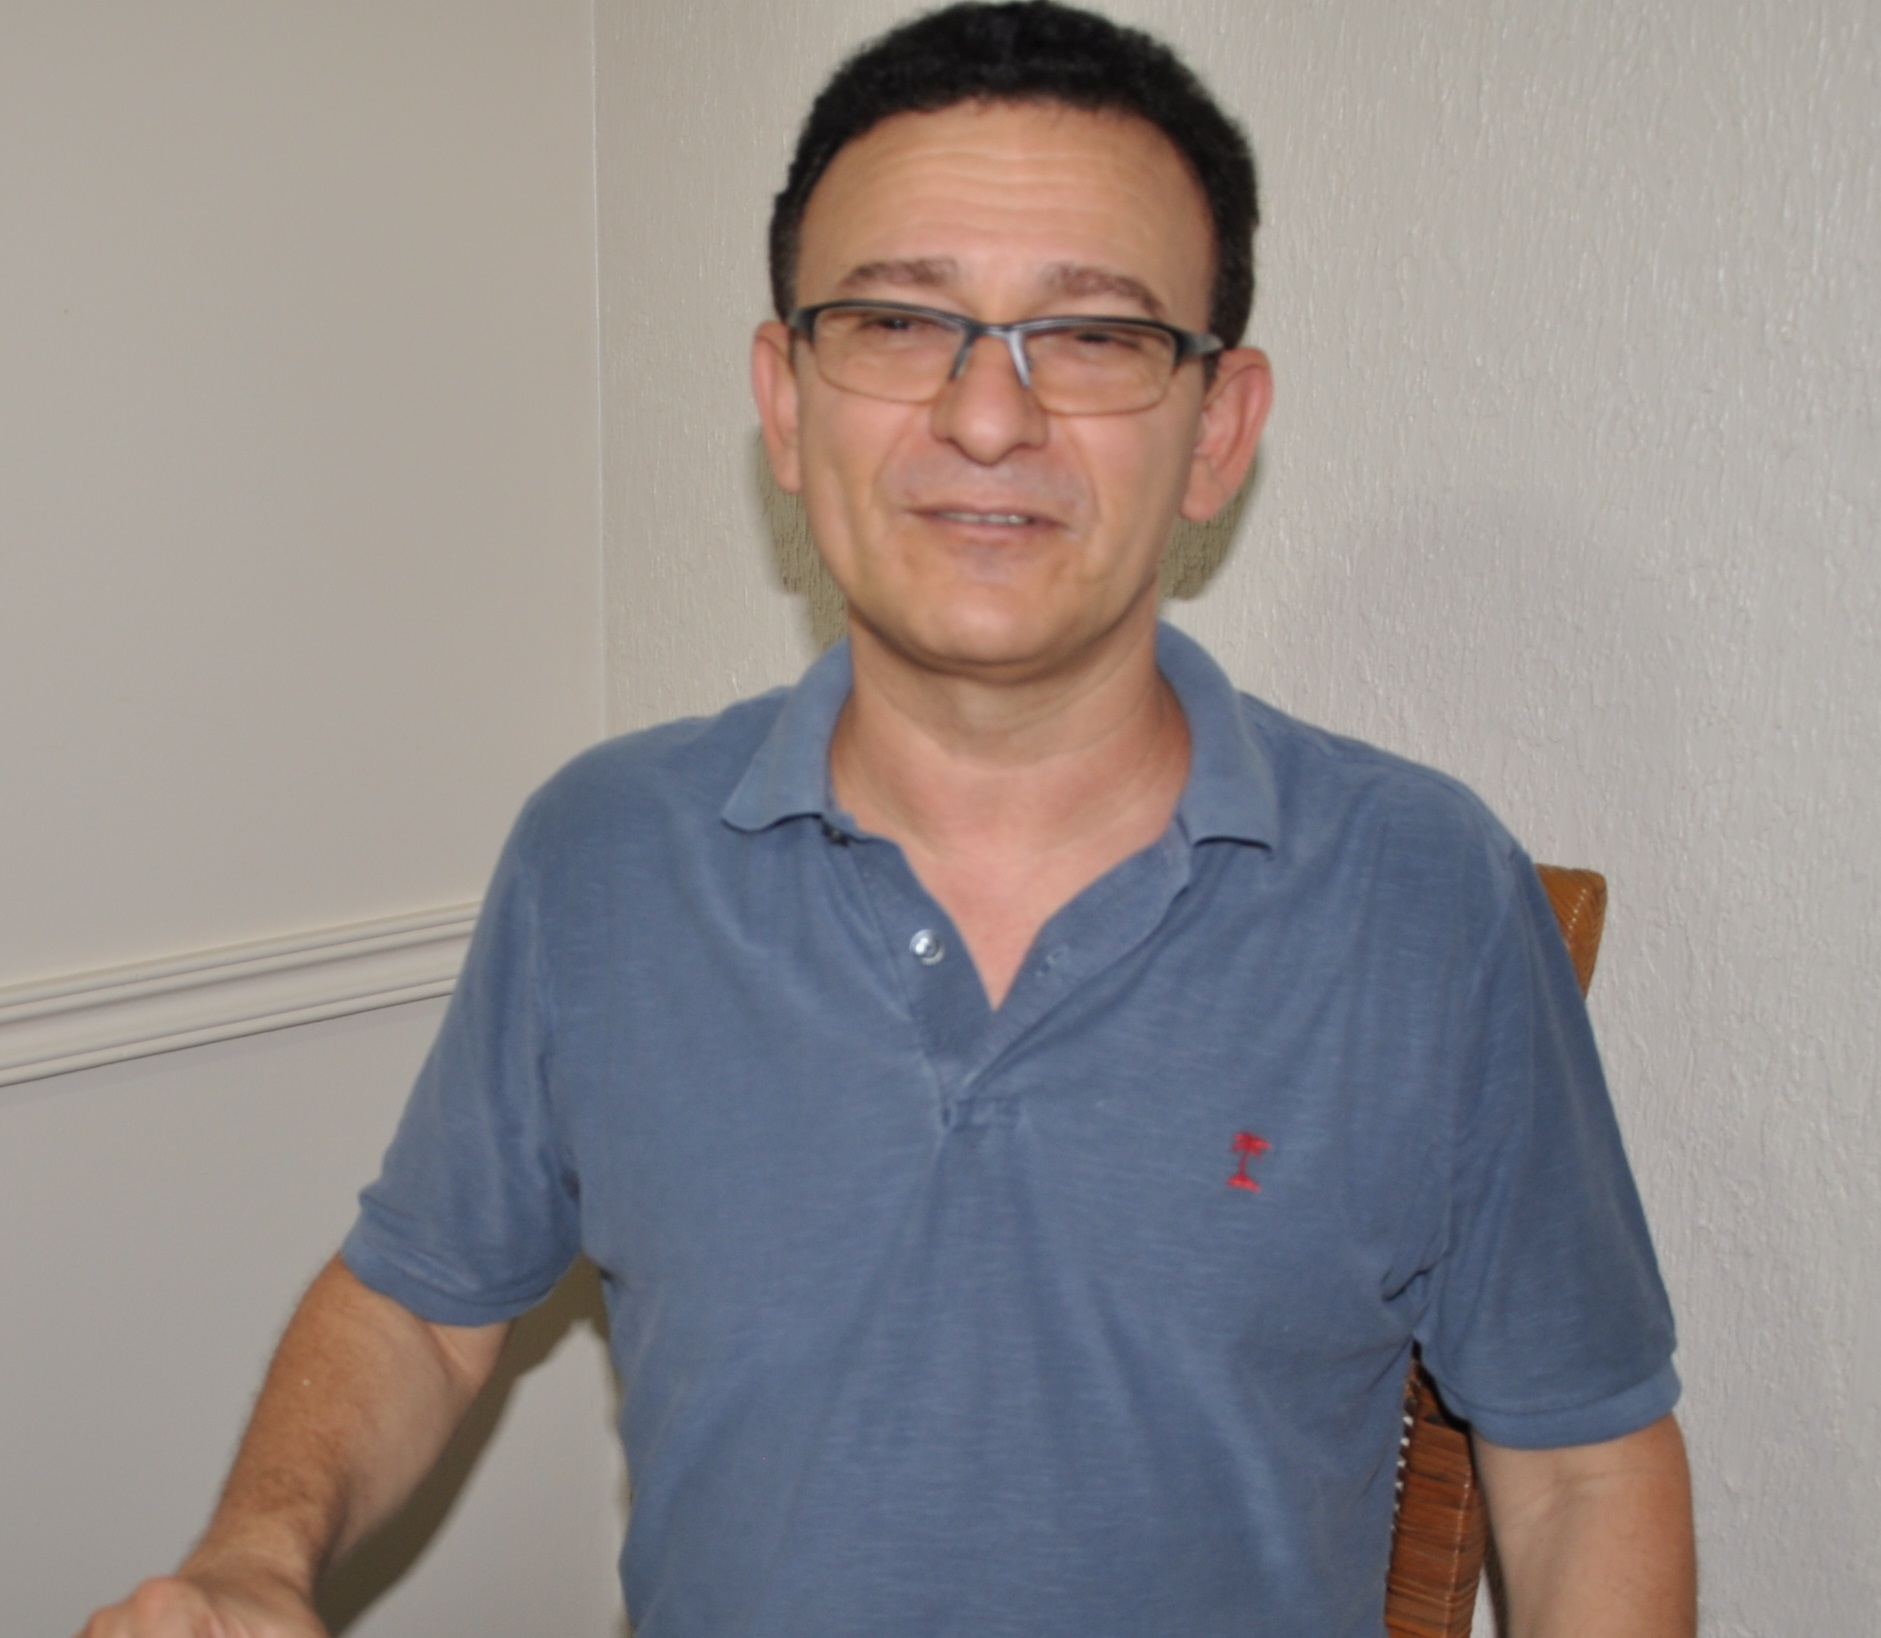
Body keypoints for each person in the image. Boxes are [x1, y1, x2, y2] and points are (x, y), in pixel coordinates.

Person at [80, 4, 1695, 1635]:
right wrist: (253, 1551)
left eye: (1091, 335)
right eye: (899, 321)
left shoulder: (1426, 896)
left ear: (1215, 429)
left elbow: (1579, 1469)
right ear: (785, 403)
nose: (986, 418)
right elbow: (419, 1308)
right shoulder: (602, 856)